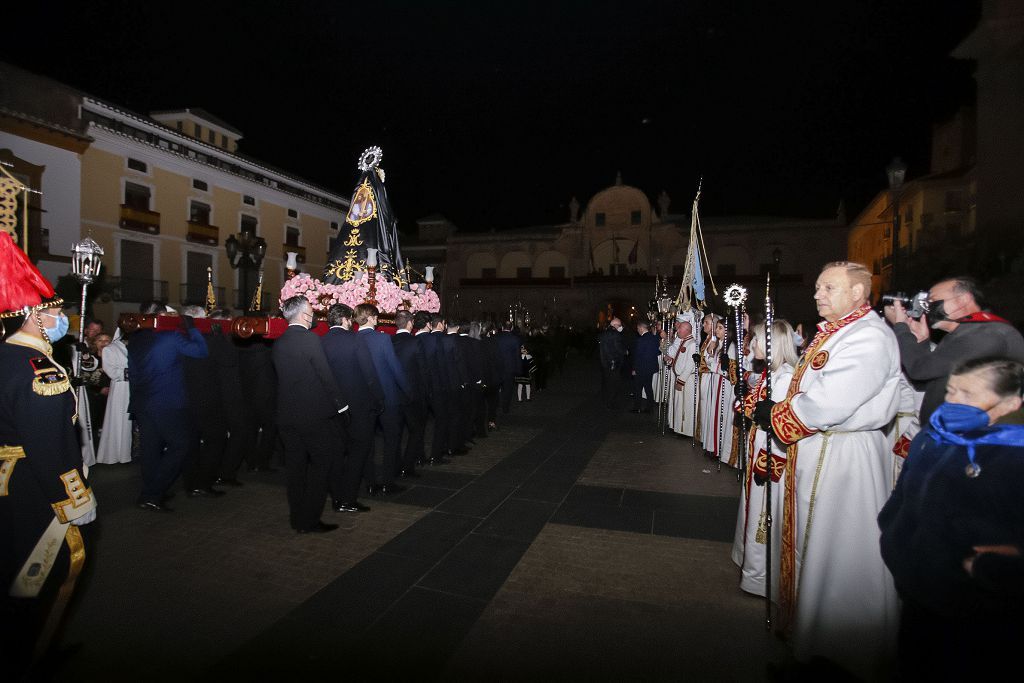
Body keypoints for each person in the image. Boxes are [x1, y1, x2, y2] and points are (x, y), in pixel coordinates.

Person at [752, 261, 901, 679]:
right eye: (817, 287)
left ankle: (841, 653)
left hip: (845, 459)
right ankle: (811, 643)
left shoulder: (868, 337)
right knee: (814, 549)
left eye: (827, 288)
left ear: (857, 293)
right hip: (821, 449)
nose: (817, 294)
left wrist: (779, 414)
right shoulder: (839, 333)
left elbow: (829, 400)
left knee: (840, 552)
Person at [878, 357, 1024, 680]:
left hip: (977, 607)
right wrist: (893, 535)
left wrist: (991, 570)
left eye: (968, 395)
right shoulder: (934, 435)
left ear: (1011, 402)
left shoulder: (1014, 455)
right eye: (950, 391)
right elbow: (904, 494)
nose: (952, 402)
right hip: (918, 592)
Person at [0, 231, 97, 678]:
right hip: (34, 490)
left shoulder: (7, 357)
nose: (62, 317)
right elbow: (50, 448)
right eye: (55, 312)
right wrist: (75, 498)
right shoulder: (38, 370)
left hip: (9, 478)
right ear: (34, 317)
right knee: (37, 579)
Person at [885, 276, 1024, 424]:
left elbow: (920, 371)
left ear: (962, 300)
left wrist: (901, 327)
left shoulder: (987, 333)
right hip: (955, 434)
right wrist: (921, 341)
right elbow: (926, 382)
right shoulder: (969, 333)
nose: (926, 306)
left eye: (931, 300)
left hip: (980, 438)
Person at [731, 319, 797, 599]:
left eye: (756, 341)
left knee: (763, 514)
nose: (752, 345)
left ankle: (761, 577)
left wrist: (768, 463)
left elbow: (782, 427)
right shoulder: (772, 374)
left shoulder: (783, 379)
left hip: (769, 456)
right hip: (758, 445)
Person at [272, 296, 349, 533]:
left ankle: (297, 518)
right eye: (312, 311)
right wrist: (341, 405)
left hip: (286, 415)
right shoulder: (310, 340)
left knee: (295, 469)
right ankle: (309, 519)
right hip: (313, 416)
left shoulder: (278, 341)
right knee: (322, 463)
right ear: (306, 315)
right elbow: (325, 376)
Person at [128, 301, 208, 511]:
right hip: (166, 402)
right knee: (181, 445)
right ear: (161, 316)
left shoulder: (136, 339)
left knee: (151, 449)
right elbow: (200, 351)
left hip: (143, 402)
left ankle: (152, 490)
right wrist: (191, 327)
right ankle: (152, 493)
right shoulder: (170, 337)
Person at [321, 303, 379, 513]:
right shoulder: (355, 340)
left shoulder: (320, 341)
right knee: (358, 453)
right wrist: (378, 399)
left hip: (331, 408)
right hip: (359, 407)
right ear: (346, 320)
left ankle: (336, 496)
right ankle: (347, 499)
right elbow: (369, 375)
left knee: (336, 454)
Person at [355, 303, 411, 495]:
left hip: (363, 398)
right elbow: (395, 368)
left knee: (367, 441)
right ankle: (388, 481)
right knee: (391, 440)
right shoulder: (382, 339)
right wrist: (408, 390)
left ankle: (370, 482)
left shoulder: (353, 339)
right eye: (376, 317)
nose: (377, 320)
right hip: (388, 396)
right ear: (371, 318)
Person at [392, 310, 428, 478]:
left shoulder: (389, 341)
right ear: (410, 323)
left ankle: (396, 464)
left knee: (396, 432)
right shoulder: (416, 342)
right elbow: (422, 370)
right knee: (416, 430)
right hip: (412, 394)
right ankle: (408, 465)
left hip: (393, 393)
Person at [700, 317, 737, 465]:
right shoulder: (718, 345)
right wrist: (710, 352)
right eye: (717, 327)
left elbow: (728, 371)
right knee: (713, 415)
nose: (716, 330)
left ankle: (720, 449)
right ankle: (712, 447)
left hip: (724, 386)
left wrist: (714, 365)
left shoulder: (731, 347)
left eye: (720, 328)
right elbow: (710, 362)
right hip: (715, 384)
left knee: (720, 416)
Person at [96, 327, 133, 465]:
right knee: (118, 419)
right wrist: (132, 373)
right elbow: (111, 370)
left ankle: (127, 452)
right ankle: (114, 453)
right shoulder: (110, 349)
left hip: (133, 388)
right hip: (120, 388)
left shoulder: (133, 348)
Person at [668, 316, 697, 437]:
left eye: (680, 329)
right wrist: (671, 362)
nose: (678, 331)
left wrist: (681, 380)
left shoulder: (692, 344)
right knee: (679, 404)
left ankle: (686, 431)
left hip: (686, 380)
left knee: (686, 405)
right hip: (680, 377)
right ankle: (679, 428)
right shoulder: (684, 341)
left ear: (687, 330)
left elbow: (690, 364)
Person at [630, 320, 661, 414]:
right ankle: (649, 408)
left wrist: (634, 369)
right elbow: (658, 352)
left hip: (641, 367)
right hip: (650, 367)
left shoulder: (640, 340)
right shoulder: (655, 338)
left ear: (641, 328)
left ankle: (637, 407)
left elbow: (638, 356)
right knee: (648, 388)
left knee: (637, 388)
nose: (637, 330)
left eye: (638, 328)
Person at [598, 317, 626, 408]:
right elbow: (618, 349)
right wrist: (625, 351)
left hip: (605, 362)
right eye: (619, 325)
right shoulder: (616, 334)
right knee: (614, 384)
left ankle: (606, 400)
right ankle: (611, 402)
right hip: (614, 362)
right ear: (615, 325)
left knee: (607, 383)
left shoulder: (603, 334)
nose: (620, 327)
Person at [495, 320, 521, 414]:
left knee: (498, 386)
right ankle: (505, 407)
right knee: (508, 388)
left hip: (498, 366)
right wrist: (518, 369)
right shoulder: (515, 339)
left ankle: (497, 403)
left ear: (502, 327)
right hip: (510, 368)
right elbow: (517, 355)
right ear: (512, 328)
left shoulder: (497, 338)